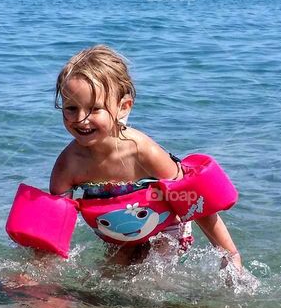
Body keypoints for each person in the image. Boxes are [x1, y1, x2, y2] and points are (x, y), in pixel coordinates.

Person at [49, 44, 248, 275]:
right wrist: (40, 273)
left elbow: (194, 200)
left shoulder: (143, 152)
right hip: (119, 230)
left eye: (94, 109)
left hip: (167, 227)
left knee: (152, 275)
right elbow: (54, 226)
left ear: (123, 107)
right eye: (71, 108)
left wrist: (230, 254)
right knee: (107, 278)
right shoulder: (68, 165)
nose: (81, 119)